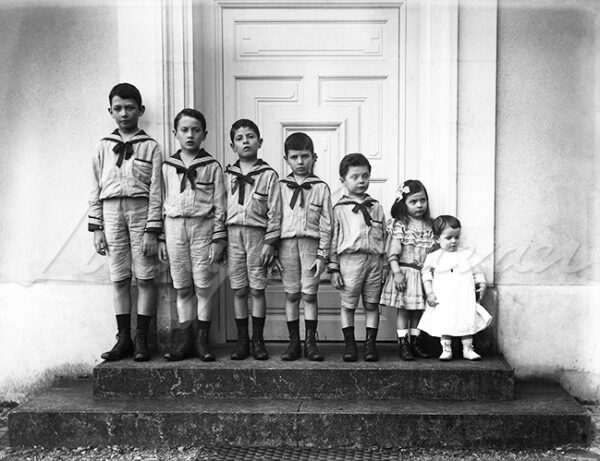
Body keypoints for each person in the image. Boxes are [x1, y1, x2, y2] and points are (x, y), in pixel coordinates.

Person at [89, 83, 162, 362]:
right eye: (118, 109)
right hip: (111, 213)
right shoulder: (103, 147)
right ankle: (124, 339)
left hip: (141, 212)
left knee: (145, 277)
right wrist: (97, 228)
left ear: (140, 110)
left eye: (130, 108)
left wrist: (152, 230)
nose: (124, 113)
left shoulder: (150, 147)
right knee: (119, 278)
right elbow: (93, 189)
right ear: (110, 111)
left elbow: (156, 190)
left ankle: (142, 337)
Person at [158, 109, 226, 362]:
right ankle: (184, 341)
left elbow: (220, 205)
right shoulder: (167, 167)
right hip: (174, 229)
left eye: (195, 130)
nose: (190, 135)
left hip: (203, 229)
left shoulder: (211, 167)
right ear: (175, 133)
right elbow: (159, 202)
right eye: (184, 130)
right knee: (182, 287)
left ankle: (202, 342)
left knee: (203, 286)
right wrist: (161, 238)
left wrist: (219, 238)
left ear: (204, 135)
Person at [224, 119, 282, 360]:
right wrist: (219, 240)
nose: (245, 141)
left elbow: (276, 211)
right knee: (239, 289)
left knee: (257, 288)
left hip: (258, 236)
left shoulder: (268, 175)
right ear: (232, 145)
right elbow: (219, 207)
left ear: (260, 142)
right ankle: (242, 341)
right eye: (239, 138)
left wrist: (270, 242)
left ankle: (258, 340)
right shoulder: (226, 175)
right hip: (233, 235)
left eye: (250, 136)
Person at [273, 132, 332, 361]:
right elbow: (274, 219)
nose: (300, 162)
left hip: (311, 246)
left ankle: (310, 343)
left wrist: (322, 255)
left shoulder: (321, 188)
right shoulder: (279, 187)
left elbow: (327, 224)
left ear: (314, 157)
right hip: (286, 245)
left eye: (305, 156)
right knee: (291, 294)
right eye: (295, 157)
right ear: (286, 158)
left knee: (309, 295)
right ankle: (293, 343)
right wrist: (275, 251)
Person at [328, 153, 386, 362]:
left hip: (374, 262)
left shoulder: (377, 206)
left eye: (365, 176)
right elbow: (333, 240)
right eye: (355, 177)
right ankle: (350, 345)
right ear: (343, 181)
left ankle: (370, 345)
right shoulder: (339, 209)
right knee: (348, 305)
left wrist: (385, 266)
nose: (361, 181)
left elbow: (385, 237)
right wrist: (333, 269)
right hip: (349, 263)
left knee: (372, 304)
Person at [418, 215, 492, 361]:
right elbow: (426, 275)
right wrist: (430, 293)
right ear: (437, 238)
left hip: (464, 294)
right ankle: (446, 348)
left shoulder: (466, 254)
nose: (454, 241)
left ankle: (468, 348)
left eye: (456, 237)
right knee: (445, 318)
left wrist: (482, 285)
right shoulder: (434, 256)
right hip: (444, 295)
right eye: (449, 237)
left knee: (466, 317)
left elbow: (477, 272)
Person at [379, 180, 435, 361]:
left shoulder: (429, 226)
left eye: (423, 200)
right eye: (413, 201)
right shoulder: (401, 225)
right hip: (404, 273)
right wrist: (396, 273)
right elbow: (392, 253)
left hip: (421, 275)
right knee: (403, 310)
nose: (419, 205)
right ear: (404, 203)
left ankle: (415, 342)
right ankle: (402, 343)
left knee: (417, 311)